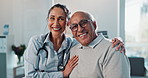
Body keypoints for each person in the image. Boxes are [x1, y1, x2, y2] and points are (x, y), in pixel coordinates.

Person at [24, 4, 126, 78]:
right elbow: (29, 75)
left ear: (67, 24)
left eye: (61, 19)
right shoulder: (36, 42)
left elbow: (92, 40)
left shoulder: (73, 44)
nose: (56, 23)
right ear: (48, 20)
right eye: (52, 18)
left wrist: (118, 41)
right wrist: (62, 74)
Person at [69, 11, 130, 78]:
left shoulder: (114, 49)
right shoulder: (73, 50)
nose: (80, 29)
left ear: (94, 25)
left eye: (84, 23)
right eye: (74, 26)